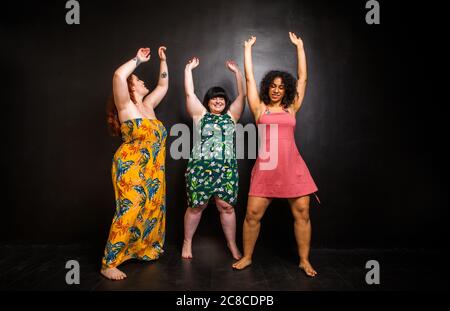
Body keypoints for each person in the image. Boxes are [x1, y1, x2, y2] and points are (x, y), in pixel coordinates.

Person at [232, 33, 319, 277]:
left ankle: (304, 260)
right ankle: (248, 256)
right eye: (273, 86)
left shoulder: (291, 108)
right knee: (251, 215)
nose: (277, 90)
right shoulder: (259, 108)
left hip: (293, 167)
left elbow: (303, 78)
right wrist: (247, 49)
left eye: (281, 87)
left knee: (302, 214)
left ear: (286, 90)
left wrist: (300, 47)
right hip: (267, 167)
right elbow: (249, 79)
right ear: (267, 87)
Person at [101, 46, 169, 280]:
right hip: (131, 165)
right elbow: (119, 76)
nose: (142, 82)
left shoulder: (148, 106)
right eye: (138, 80)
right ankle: (108, 263)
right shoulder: (126, 107)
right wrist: (137, 60)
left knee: (150, 208)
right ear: (130, 88)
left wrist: (163, 60)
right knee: (130, 209)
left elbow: (163, 86)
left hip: (153, 168)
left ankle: (142, 251)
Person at [182, 57, 245, 260]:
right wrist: (188, 69)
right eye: (214, 98)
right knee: (196, 206)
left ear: (226, 103)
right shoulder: (200, 115)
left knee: (227, 207)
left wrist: (237, 73)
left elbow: (243, 94)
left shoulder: (231, 117)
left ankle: (232, 245)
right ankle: (187, 243)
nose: (218, 101)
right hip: (200, 169)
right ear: (207, 102)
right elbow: (189, 93)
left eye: (222, 99)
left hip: (226, 170)